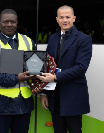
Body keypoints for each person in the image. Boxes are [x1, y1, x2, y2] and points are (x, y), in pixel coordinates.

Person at [0, 9, 42, 133]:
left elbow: (35, 69)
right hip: (1, 103)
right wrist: (17, 78)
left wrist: (38, 84)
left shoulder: (28, 41)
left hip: (23, 103)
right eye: (6, 22)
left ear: (17, 23)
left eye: (13, 22)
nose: (9, 25)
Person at [36, 5, 92, 133]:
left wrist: (55, 77)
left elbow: (81, 68)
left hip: (73, 96)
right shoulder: (52, 38)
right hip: (55, 97)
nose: (65, 20)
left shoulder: (84, 39)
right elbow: (48, 66)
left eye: (68, 17)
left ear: (74, 18)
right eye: (61, 17)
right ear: (57, 19)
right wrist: (44, 93)